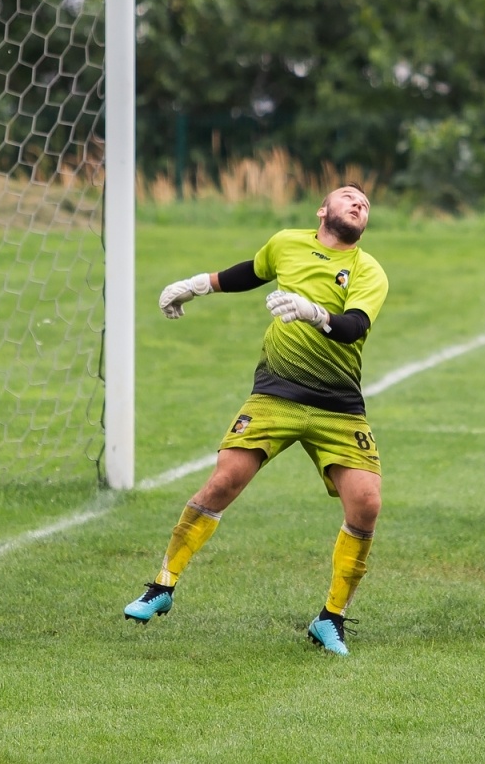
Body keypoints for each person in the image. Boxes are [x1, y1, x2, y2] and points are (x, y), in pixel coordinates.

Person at [123, 184, 390, 656]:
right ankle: (162, 586)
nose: (359, 203)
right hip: (276, 393)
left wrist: (313, 313)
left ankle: (331, 619)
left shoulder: (369, 271)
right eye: (349, 196)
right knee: (223, 481)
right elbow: (250, 272)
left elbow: (354, 328)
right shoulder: (287, 242)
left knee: (366, 506)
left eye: (365, 203)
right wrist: (195, 285)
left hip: (338, 404)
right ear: (323, 210)